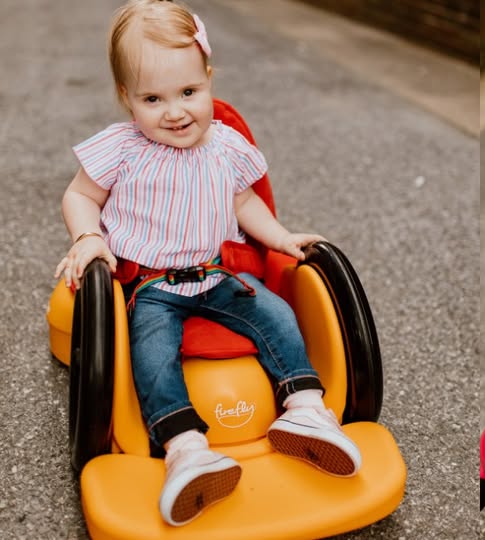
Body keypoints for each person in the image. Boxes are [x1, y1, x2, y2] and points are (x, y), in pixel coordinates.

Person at [54, 0, 361, 526]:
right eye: (154, 98)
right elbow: (79, 196)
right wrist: (87, 236)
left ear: (208, 80)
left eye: (189, 93)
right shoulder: (121, 149)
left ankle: (307, 408)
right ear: (127, 98)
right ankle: (186, 447)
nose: (175, 111)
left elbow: (245, 203)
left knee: (277, 317)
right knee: (153, 351)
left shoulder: (225, 146)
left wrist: (282, 237)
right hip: (151, 285)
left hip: (218, 276)